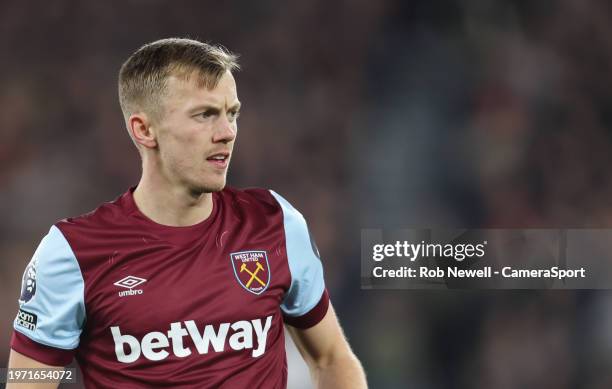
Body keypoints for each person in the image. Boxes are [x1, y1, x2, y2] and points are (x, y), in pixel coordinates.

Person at [7, 38, 367, 388]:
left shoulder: (274, 222)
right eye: (205, 115)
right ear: (145, 130)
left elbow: (330, 358)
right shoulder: (73, 253)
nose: (227, 133)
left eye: (232, 114)